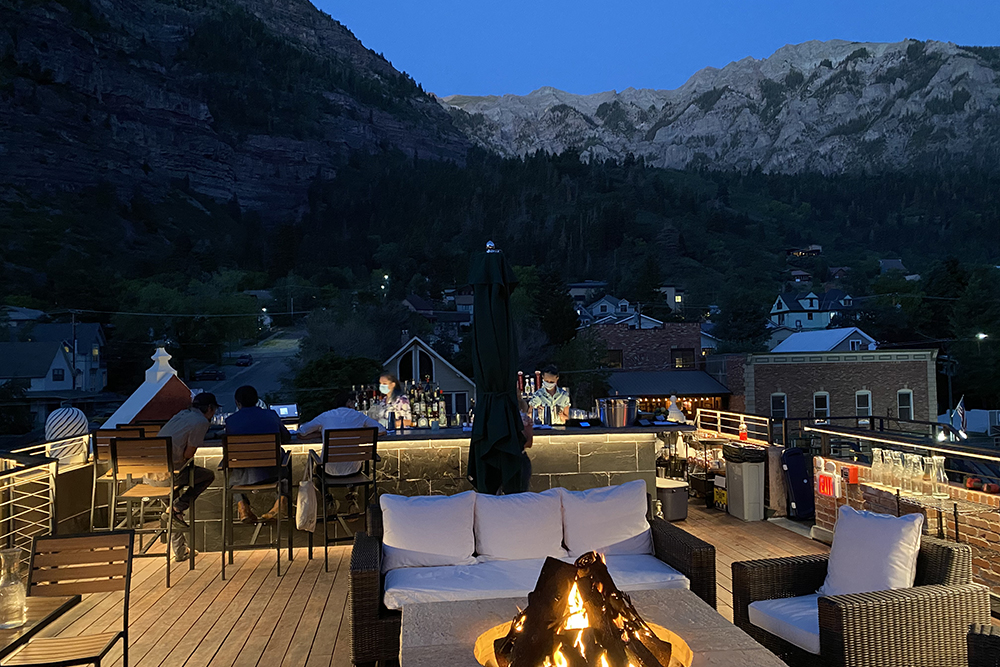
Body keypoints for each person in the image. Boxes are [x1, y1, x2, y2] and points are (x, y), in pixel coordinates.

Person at [149, 392, 218, 561]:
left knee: (172, 512)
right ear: (209, 408)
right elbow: (188, 454)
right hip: (170, 476)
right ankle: (179, 506)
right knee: (207, 476)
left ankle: (180, 551)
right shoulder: (201, 422)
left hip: (149, 476)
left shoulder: (181, 414)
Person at [224, 386, 292, 523]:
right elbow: (286, 438)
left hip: (242, 479)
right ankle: (280, 502)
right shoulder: (271, 414)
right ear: (257, 400)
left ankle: (242, 506)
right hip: (273, 474)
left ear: (237, 403)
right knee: (287, 460)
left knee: (230, 467)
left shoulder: (230, 421)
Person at [298, 392, 387, 477]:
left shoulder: (326, 415)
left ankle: (325, 492)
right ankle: (352, 491)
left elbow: (302, 433)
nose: (354, 405)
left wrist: (321, 434)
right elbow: (382, 430)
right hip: (354, 470)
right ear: (348, 402)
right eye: (353, 402)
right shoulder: (359, 416)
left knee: (317, 470)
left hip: (328, 471)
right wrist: (361, 435)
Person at [518, 396, 534, 492]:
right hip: (520, 458)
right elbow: (529, 442)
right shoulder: (526, 419)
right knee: (522, 494)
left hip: (502, 460)